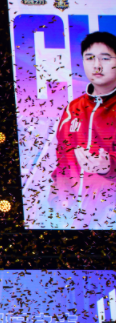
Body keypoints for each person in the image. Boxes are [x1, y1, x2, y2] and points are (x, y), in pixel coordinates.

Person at [50, 31, 116, 226]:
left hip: (107, 221)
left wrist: (109, 167)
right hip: (64, 220)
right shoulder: (73, 108)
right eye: (90, 58)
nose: (97, 65)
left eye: (105, 58)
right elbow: (62, 158)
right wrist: (54, 198)